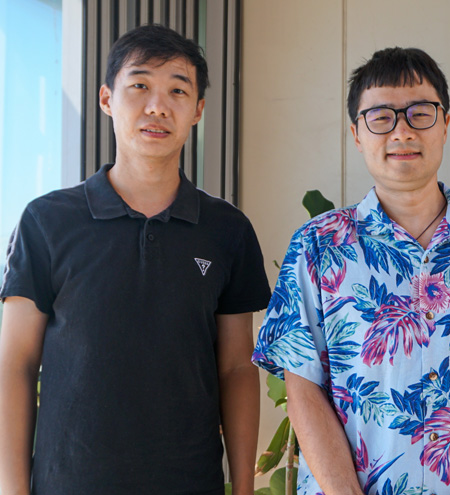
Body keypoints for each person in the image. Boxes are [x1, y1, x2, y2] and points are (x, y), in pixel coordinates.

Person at [252, 47, 450, 495]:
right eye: (381, 117)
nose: (401, 131)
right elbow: (302, 386)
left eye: (420, 113)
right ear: (357, 134)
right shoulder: (318, 244)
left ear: (446, 124)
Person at [0, 25, 270, 495]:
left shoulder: (227, 230)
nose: (157, 106)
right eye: (140, 85)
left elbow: (236, 368)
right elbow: (15, 363)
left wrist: (243, 487)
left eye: (177, 91)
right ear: (107, 98)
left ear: (198, 110)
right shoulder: (46, 221)